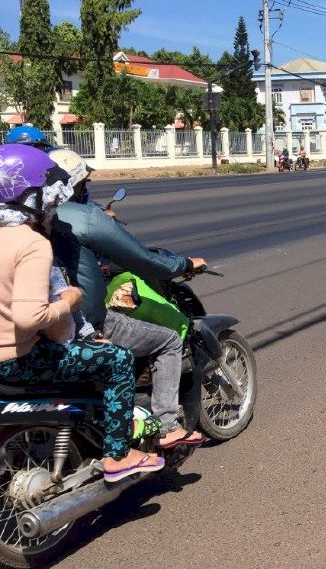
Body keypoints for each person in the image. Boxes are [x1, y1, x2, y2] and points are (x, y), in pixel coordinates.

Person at [0, 144, 164, 482]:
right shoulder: (30, 243)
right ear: (28, 196)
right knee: (117, 359)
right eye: (47, 197)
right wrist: (70, 302)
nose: (52, 207)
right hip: (18, 361)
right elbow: (29, 318)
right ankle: (118, 456)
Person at [48, 149, 206, 450]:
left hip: (33, 326)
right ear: (75, 185)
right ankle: (167, 427)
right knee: (168, 340)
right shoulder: (83, 217)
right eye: (85, 183)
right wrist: (184, 264)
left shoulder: (22, 221)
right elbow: (143, 260)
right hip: (80, 321)